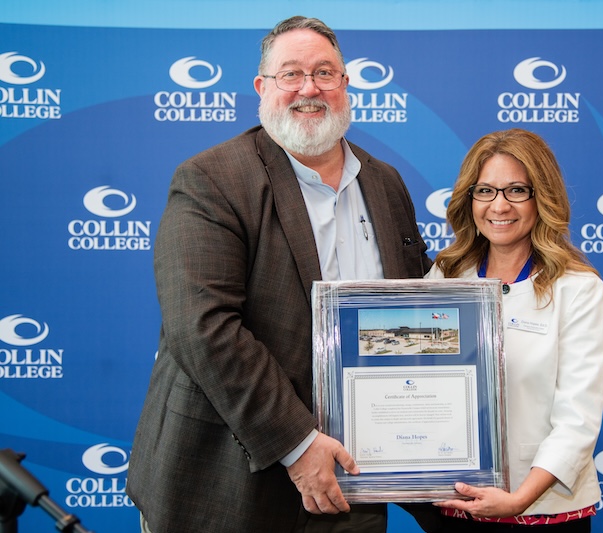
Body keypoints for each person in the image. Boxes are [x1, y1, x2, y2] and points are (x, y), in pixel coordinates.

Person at [126, 15, 433, 533]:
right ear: (262, 88)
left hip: (353, 479)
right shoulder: (211, 179)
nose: (308, 89)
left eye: (324, 73)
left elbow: (414, 309)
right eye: (290, 74)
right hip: (226, 485)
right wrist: (298, 443)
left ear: (345, 85)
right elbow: (202, 328)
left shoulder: (385, 183)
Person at [425, 129, 603, 532]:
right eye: (486, 191)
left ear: (540, 196)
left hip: (543, 508)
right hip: (459, 503)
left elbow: (578, 418)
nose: (499, 206)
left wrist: (519, 500)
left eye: (516, 191)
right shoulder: (445, 276)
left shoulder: (577, 288)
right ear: (469, 198)